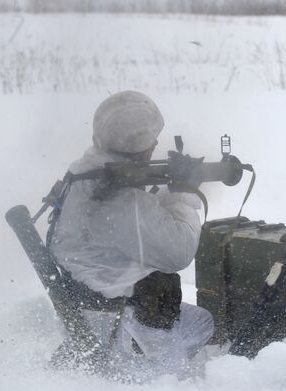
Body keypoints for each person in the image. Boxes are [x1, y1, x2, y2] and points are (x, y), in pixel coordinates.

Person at [49, 91, 214, 377]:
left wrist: (166, 190)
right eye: (150, 139)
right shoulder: (119, 198)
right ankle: (151, 374)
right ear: (138, 144)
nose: (156, 144)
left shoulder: (85, 174)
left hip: (89, 305)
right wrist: (184, 193)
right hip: (125, 319)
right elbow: (178, 252)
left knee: (201, 321)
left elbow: (136, 225)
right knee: (190, 344)